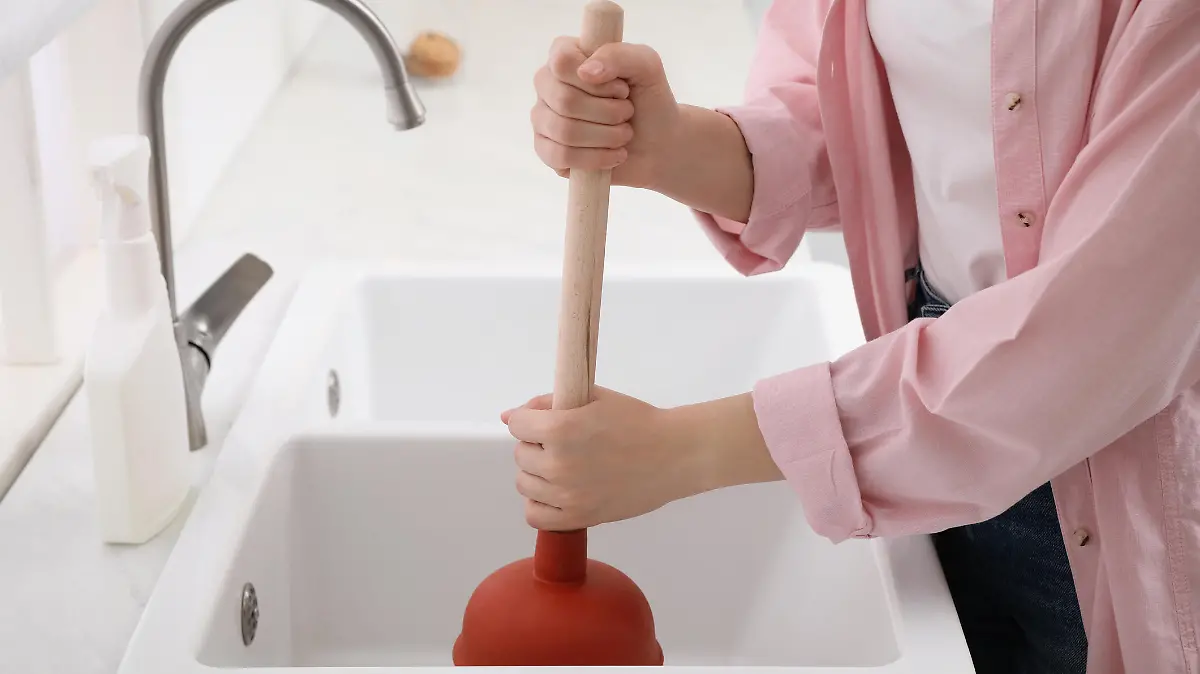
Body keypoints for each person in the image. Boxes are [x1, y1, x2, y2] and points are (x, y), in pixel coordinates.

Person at [504, 1, 1200, 673]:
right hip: (915, 411)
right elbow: (853, 113)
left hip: (1121, 454)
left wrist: (680, 451)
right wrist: (675, 148)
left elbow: (1098, 328)